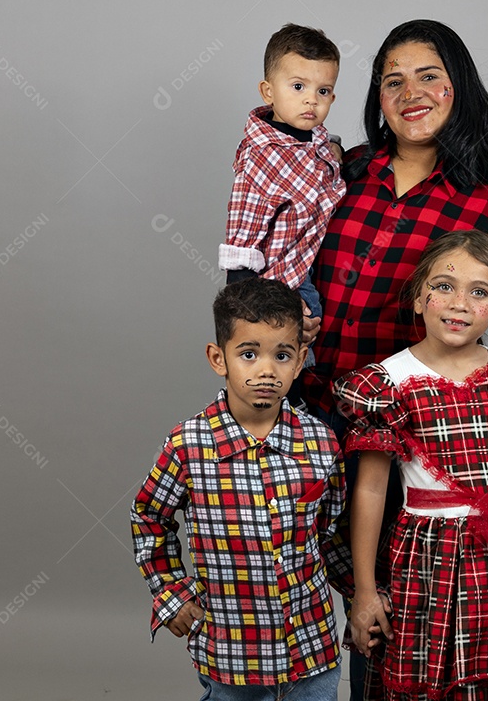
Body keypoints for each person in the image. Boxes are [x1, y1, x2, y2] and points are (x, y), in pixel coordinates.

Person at [298, 20, 488, 694]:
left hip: (411, 438)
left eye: (428, 76)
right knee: (296, 587)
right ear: (376, 98)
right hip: (315, 419)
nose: (410, 92)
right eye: (392, 80)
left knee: (398, 604)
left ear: (459, 88)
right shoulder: (342, 172)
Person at [334, 230, 488, 700]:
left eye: (479, 293)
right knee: (428, 672)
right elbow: (371, 490)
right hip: (427, 558)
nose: (459, 303)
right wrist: (364, 591)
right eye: (444, 286)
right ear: (419, 298)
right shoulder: (391, 383)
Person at [130, 277, 353, 701]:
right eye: (248, 354)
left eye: (282, 355)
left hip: (312, 649)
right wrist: (172, 594)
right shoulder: (189, 444)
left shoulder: (322, 443)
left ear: (301, 359)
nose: (267, 370)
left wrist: (362, 597)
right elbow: (149, 518)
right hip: (230, 653)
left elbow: (332, 533)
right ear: (219, 358)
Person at [218, 23, 346, 366]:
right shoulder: (262, 156)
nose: (311, 100)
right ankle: (288, 405)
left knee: (309, 340)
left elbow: (321, 144)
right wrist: (247, 303)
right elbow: (243, 230)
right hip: (275, 281)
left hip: (310, 265)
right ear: (268, 91)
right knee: (285, 351)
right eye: (299, 87)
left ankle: (298, 402)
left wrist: (335, 146)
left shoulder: (312, 136)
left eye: (323, 91)